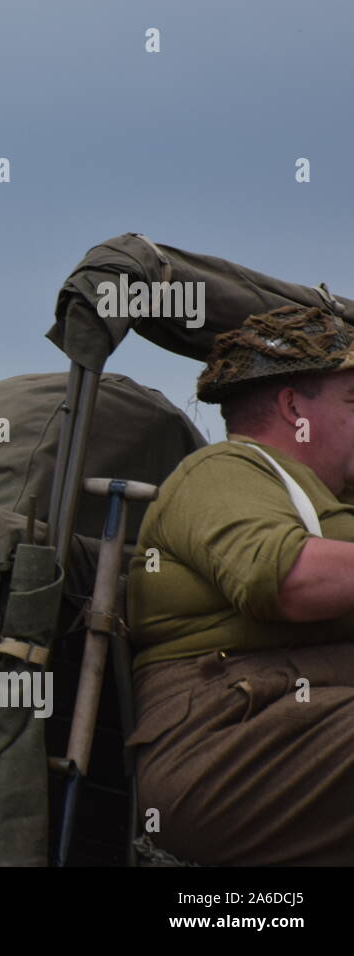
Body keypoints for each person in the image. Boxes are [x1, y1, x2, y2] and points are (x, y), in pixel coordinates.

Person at [126, 304, 354, 865]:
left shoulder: (334, 500)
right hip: (228, 745)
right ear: (293, 405)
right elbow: (282, 577)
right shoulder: (225, 470)